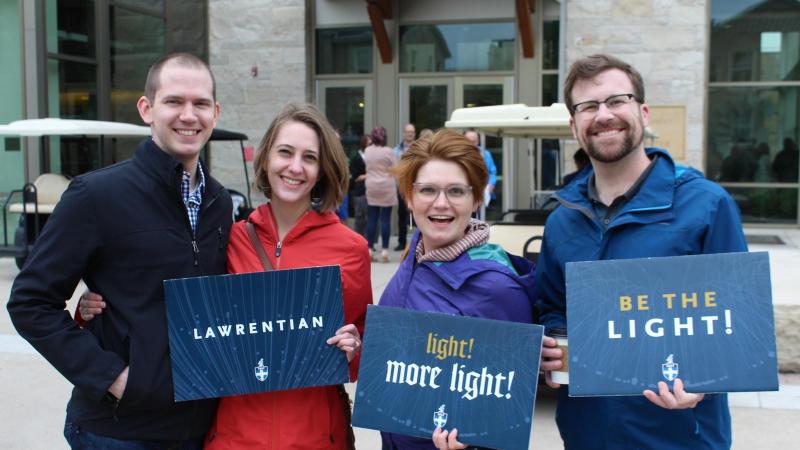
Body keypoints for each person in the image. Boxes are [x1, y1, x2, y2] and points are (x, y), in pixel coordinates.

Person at [79, 103, 372, 449]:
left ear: (323, 169)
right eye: (285, 152)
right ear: (265, 159)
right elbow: (169, 307)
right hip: (234, 436)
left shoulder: (351, 249)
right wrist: (92, 312)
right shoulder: (228, 237)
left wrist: (354, 351)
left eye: (309, 157)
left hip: (314, 437)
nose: (295, 167)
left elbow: (362, 355)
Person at [7, 53, 232, 449]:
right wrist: (113, 378)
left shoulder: (219, 203)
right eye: (174, 101)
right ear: (147, 109)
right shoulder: (96, 195)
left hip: (198, 427)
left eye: (200, 104)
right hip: (117, 432)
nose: (188, 115)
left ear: (215, 113)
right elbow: (30, 302)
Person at [536, 54, 748, 449]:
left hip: (679, 436)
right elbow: (551, 305)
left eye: (617, 101)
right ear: (573, 125)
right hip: (587, 434)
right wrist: (552, 343)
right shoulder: (561, 221)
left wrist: (704, 382)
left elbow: (739, 319)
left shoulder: (706, 205)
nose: (604, 115)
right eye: (588, 106)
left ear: (643, 112)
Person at [378, 129, 550, 449]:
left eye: (456, 191)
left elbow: (505, 420)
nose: (441, 204)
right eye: (428, 189)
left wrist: (472, 444)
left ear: (476, 199)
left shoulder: (499, 289)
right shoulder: (415, 258)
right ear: (408, 197)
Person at [365, 125, 398, 262]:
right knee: (385, 219)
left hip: (372, 186)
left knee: (372, 219)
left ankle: (369, 250)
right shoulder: (388, 151)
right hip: (386, 187)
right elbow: (395, 168)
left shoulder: (367, 150)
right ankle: (384, 251)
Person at [393, 123, 416, 250]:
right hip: (402, 186)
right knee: (401, 215)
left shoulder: (419, 149)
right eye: (408, 132)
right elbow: (394, 168)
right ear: (404, 133)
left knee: (417, 215)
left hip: (415, 186)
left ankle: (418, 241)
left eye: (412, 132)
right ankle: (401, 242)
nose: (410, 134)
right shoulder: (396, 150)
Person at [463, 129, 497, 207]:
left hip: (482, 192)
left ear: (478, 141)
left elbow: (493, 172)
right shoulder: (458, 153)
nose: (471, 144)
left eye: (474, 141)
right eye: (469, 141)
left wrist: (491, 184)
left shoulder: (485, 154)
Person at [349, 134, 370, 237]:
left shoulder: (372, 157)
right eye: (369, 143)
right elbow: (355, 177)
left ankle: (369, 242)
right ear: (364, 144)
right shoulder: (357, 158)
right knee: (360, 218)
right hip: (360, 191)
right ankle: (358, 239)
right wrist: (369, 175)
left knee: (368, 218)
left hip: (370, 191)